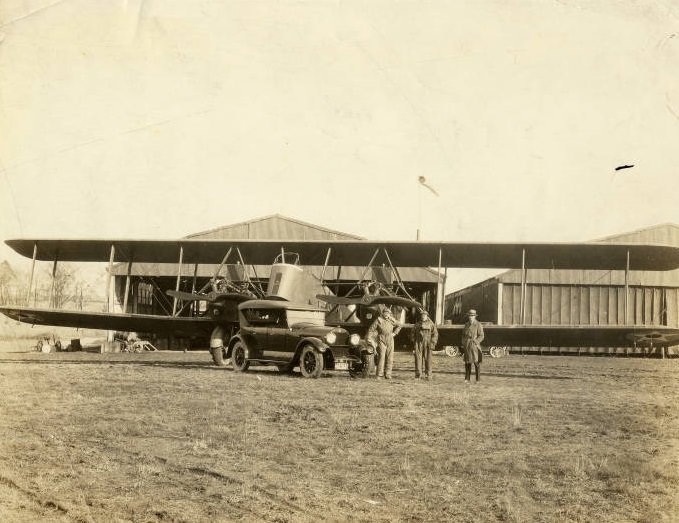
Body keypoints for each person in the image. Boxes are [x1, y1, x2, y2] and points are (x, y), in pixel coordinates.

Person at [367, 306, 402, 380]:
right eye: (385, 313)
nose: (386, 314)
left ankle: (388, 374)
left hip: (390, 339)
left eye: (388, 313)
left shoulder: (392, 320)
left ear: (390, 314)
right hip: (381, 339)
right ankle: (379, 374)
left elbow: (400, 325)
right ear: (382, 313)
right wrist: (369, 337)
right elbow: (371, 329)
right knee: (381, 356)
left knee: (390, 357)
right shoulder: (378, 320)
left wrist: (395, 333)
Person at [411, 310, 438, 379]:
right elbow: (412, 333)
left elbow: (435, 334)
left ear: (427, 316)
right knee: (418, 359)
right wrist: (414, 341)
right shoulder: (417, 324)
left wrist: (433, 342)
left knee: (428, 359)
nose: (423, 317)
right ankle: (418, 375)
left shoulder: (431, 324)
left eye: (424, 315)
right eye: (422, 315)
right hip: (418, 343)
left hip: (428, 343)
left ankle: (428, 375)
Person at [461, 309, 484, 383]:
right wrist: (464, 342)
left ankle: (478, 379)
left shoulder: (478, 324)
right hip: (467, 345)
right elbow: (463, 335)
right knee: (467, 362)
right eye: (470, 316)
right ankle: (467, 378)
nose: (471, 317)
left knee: (476, 362)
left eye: (472, 316)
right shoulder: (466, 324)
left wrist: (476, 342)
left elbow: (481, 336)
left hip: (474, 346)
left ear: (475, 316)